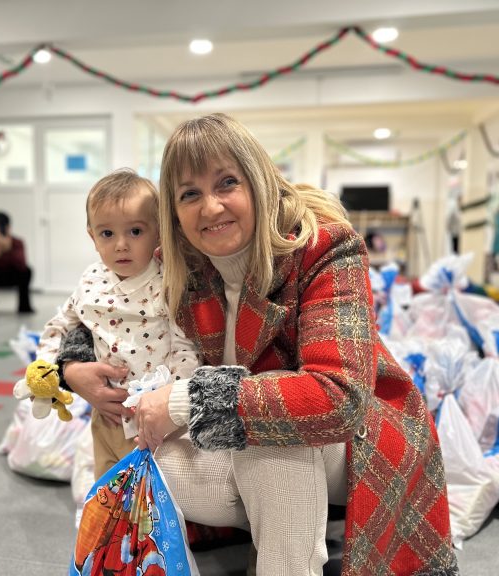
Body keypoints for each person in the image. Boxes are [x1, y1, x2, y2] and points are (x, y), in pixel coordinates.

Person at [57, 114, 458, 575]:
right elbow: (99, 304)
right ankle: (276, 529)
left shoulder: (322, 246)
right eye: (189, 194)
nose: (210, 208)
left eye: (227, 182)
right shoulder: (177, 262)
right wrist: (73, 367)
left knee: (273, 442)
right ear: (173, 210)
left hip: (350, 444)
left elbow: (339, 398)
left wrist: (187, 400)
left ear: (258, 181)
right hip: (248, 440)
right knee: (150, 456)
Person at [36, 169, 200, 479]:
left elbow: (185, 349)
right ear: (93, 237)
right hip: (105, 417)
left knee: (149, 506)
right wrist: (45, 367)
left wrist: (171, 408)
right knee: (106, 495)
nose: (121, 245)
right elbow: (62, 323)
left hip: (153, 425)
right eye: (107, 234)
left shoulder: (167, 283)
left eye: (136, 231)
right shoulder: (90, 281)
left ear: (158, 233)